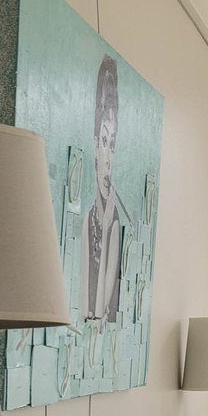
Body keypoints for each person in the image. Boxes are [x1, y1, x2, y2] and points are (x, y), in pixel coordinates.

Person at [82, 55, 130, 322]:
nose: (108, 156)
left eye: (112, 143)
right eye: (103, 140)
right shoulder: (87, 221)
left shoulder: (114, 224)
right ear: (94, 147)